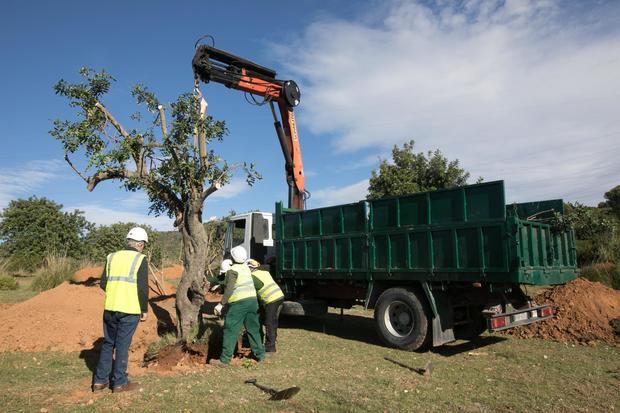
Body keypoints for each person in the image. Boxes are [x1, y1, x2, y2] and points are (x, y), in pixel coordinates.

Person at [92, 227, 149, 393]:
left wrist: (116, 293)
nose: (143, 247)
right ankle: (119, 383)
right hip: (130, 310)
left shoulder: (111, 257)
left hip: (110, 307)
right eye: (143, 244)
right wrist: (144, 308)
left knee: (109, 343)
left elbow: (103, 283)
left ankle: (99, 381)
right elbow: (142, 288)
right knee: (122, 345)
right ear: (139, 244)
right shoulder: (140, 259)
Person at [210, 246, 265, 367]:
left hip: (239, 304)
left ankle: (224, 360)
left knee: (231, 330)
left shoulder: (232, 270)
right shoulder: (246, 268)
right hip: (252, 302)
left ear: (233, 257)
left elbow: (229, 288)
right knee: (253, 329)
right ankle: (260, 355)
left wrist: (221, 304)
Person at [247, 259, 284, 353]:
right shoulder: (264, 272)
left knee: (269, 322)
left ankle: (270, 347)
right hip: (279, 296)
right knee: (273, 321)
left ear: (249, 268)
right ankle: (271, 341)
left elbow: (258, 287)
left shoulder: (252, 276)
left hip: (271, 299)